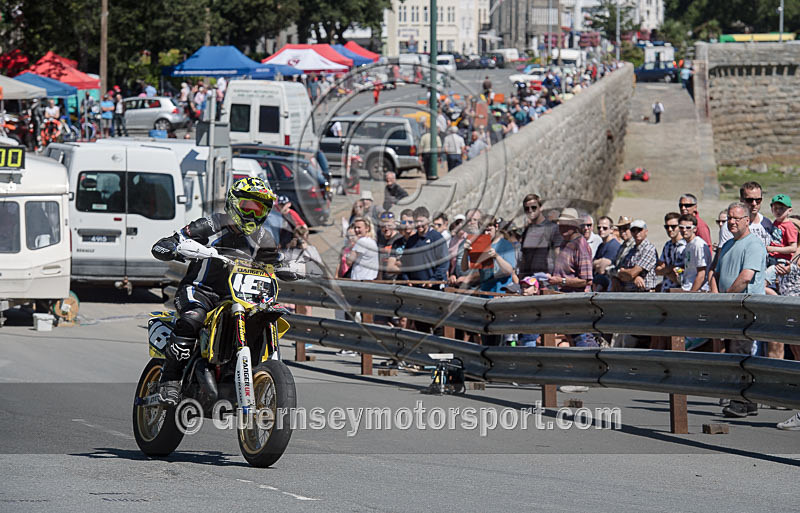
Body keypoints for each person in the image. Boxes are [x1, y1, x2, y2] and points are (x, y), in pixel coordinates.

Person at [150, 177, 281, 405]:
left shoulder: (263, 237)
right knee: (193, 318)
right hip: (200, 291)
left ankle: (239, 375)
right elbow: (173, 240)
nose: (252, 214)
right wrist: (173, 246)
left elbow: (275, 262)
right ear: (234, 203)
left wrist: (293, 267)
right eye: (247, 207)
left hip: (239, 296)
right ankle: (170, 380)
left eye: (258, 210)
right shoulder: (212, 224)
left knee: (261, 319)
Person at [711, 202, 767, 418]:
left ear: (747, 220)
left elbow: (746, 277)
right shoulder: (727, 245)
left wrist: (726, 297)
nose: (732, 222)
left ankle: (741, 401)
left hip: (745, 309)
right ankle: (749, 402)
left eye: (736, 218)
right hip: (729, 308)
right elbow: (715, 273)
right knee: (733, 352)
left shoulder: (753, 244)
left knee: (740, 354)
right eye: (729, 218)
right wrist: (716, 296)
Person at [518, 194, 561, 278]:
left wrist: (555, 276)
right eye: (527, 208)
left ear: (540, 208)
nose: (530, 210)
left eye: (533, 207)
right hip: (529, 279)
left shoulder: (553, 228)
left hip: (547, 278)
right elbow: (524, 257)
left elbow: (558, 255)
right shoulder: (527, 231)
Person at [719, 181, 772, 247]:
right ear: (741, 199)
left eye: (758, 200)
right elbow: (723, 252)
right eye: (749, 200)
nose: (754, 203)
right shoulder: (730, 226)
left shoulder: (767, 223)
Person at [613, 219, 658, 292]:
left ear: (646, 231)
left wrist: (629, 274)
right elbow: (621, 272)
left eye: (639, 230)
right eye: (633, 230)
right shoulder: (631, 250)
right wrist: (633, 277)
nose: (636, 233)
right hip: (629, 292)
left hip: (645, 292)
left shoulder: (649, 248)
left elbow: (633, 273)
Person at [678, 214, 711, 291]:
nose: (684, 230)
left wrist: (692, 294)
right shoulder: (688, 244)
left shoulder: (698, 245)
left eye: (688, 227)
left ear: (695, 229)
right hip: (687, 287)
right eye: (681, 227)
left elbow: (701, 274)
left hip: (698, 290)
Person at [655, 212, 686, 292]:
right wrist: (669, 270)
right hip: (665, 289)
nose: (669, 229)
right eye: (667, 227)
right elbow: (658, 269)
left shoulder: (686, 246)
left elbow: (684, 273)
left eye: (673, 226)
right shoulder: (667, 245)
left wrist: (666, 270)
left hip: (680, 291)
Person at [592, 215, 621, 291]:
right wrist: (597, 262)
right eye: (599, 228)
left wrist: (595, 263)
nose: (601, 230)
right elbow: (592, 264)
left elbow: (601, 269)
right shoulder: (601, 246)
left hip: (609, 286)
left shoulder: (613, 245)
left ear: (611, 230)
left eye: (605, 228)